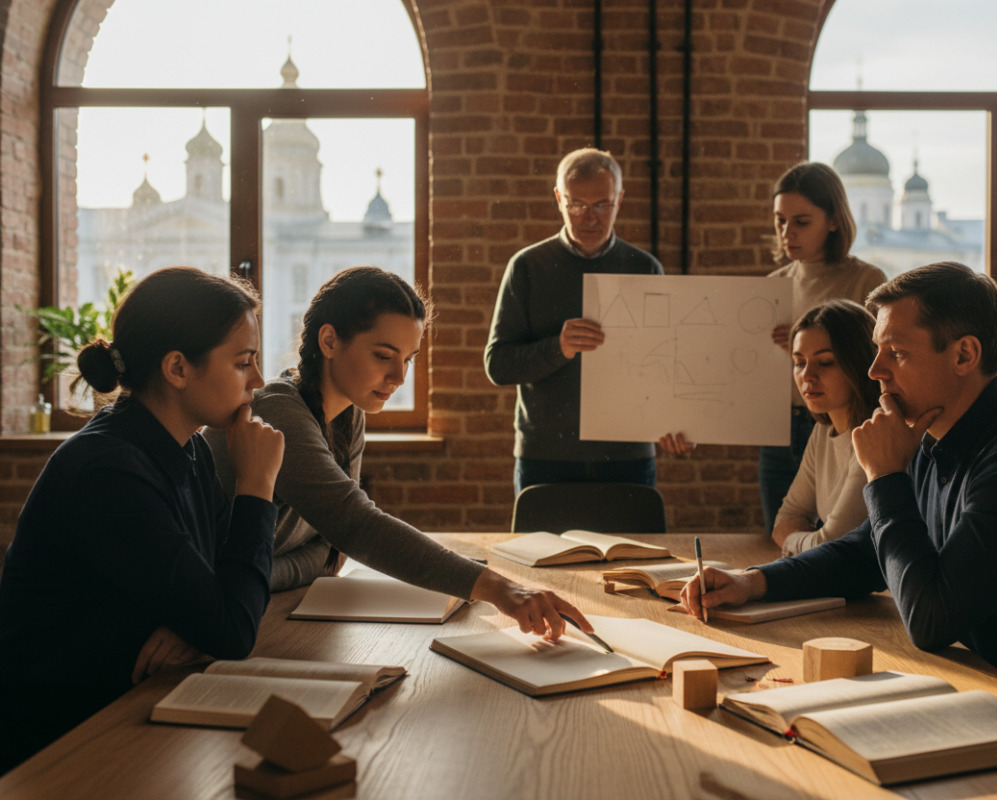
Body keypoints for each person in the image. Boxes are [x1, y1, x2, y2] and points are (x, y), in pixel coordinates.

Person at [679, 262, 997, 785]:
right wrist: (754, 581)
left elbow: (932, 620)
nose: (874, 371)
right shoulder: (936, 432)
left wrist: (884, 475)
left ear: (965, 354)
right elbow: (871, 549)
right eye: (877, 350)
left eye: (895, 353)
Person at [0, 267, 284, 775]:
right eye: (244, 363)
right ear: (177, 368)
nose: (259, 382)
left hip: (136, 707)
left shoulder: (188, 447)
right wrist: (256, 485)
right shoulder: (107, 471)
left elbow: (225, 598)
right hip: (58, 744)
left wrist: (199, 626)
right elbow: (235, 628)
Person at [204, 266, 591, 638]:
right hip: (203, 614)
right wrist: (503, 590)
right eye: (383, 355)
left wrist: (261, 574)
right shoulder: (277, 411)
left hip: (249, 603)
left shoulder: (347, 413)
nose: (399, 377)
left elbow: (331, 550)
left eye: (408, 359)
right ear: (329, 341)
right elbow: (355, 526)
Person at [485, 147, 664, 495]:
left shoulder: (645, 268)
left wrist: (673, 420)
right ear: (558, 198)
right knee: (542, 552)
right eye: (577, 204)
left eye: (602, 205)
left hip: (628, 455)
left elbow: (664, 364)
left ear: (620, 199)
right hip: (547, 457)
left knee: (638, 552)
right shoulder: (526, 267)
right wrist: (559, 347)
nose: (589, 217)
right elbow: (498, 366)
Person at [756, 162, 885, 534]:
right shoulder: (772, 286)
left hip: (846, 425)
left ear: (833, 220)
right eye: (780, 221)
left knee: (841, 536)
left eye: (801, 221)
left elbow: (877, 362)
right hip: (779, 427)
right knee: (779, 531)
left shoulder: (866, 280)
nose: (786, 232)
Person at [772, 299, 879, 556]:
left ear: (859, 363)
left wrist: (793, 540)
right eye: (799, 362)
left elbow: (832, 545)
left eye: (826, 362)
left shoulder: (875, 434)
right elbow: (784, 519)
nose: (807, 375)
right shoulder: (823, 431)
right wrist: (807, 540)